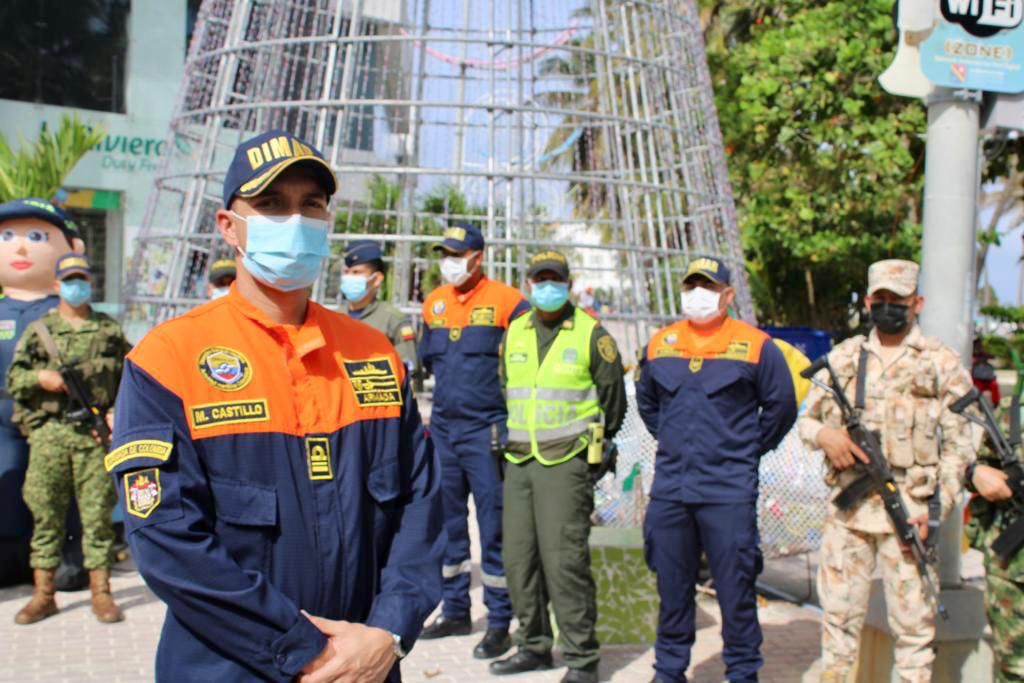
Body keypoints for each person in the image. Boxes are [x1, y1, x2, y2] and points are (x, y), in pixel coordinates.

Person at [107, 129, 444, 682]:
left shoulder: (375, 355)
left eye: (310, 204)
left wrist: (389, 632)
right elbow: (166, 538)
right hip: (230, 667)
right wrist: (305, 649)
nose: (294, 220)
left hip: (366, 665)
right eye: (270, 204)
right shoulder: (168, 358)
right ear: (227, 226)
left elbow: (422, 507)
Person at [798, 259, 974, 683]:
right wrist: (827, 437)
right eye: (881, 298)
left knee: (914, 633)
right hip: (849, 517)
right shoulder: (844, 358)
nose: (888, 306)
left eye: (898, 299)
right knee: (838, 625)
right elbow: (807, 421)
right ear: (869, 300)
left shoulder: (940, 363)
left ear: (918, 303)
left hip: (909, 513)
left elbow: (961, 445)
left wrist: (937, 510)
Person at [636, 256, 796, 683]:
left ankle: (742, 673)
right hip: (671, 490)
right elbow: (648, 403)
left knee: (735, 589)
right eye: (692, 285)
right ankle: (669, 671)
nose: (698, 293)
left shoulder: (756, 345)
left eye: (708, 286)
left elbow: (781, 408)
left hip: (728, 491)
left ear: (727, 294)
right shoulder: (660, 344)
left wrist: (744, 450)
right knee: (672, 589)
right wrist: (672, 441)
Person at [490, 251, 626, 683]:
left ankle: (582, 660)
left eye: (555, 280)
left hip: (566, 464)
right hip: (519, 462)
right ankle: (533, 645)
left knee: (564, 562)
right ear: (528, 284)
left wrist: (593, 454)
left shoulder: (591, 334)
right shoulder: (514, 332)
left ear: (568, 285)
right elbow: (505, 389)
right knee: (519, 560)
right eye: (539, 279)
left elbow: (613, 404)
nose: (546, 287)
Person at [418, 223, 530, 659]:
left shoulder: (509, 304)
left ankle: (499, 621)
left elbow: (526, 366)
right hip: (444, 428)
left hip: (488, 430)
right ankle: (454, 609)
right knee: (447, 525)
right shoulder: (434, 305)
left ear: (477, 257)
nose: (449, 262)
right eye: (444, 254)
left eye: (456, 253)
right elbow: (426, 363)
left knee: (494, 526)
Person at [8, 252, 130, 624]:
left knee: (97, 518)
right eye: (70, 280)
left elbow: (132, 379)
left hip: (93, 436)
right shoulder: (40, 331)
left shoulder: (108, 330)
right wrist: (40, 379)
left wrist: (116, 412)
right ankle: (44, 594)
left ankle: (102, 594)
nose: (78, 286)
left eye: (83, 278)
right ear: (57, 285)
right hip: (51, 435)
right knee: (46, 517)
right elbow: (15, 379)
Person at [0, 198, 81, 587]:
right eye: (8, 236)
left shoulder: (66, 314)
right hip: (3, 418)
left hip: (54, 417)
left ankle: (67, 562)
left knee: (60, 492)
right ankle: (12, 560)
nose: (19, 247)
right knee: (7, 486)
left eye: (36, 237)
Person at [966, 443, 1022, 682]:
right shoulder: (1011, 408)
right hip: (1011, 568)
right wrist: (975, 473)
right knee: (1013, 670)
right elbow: (966, 460)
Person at [339, 240, 416, 369]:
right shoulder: (333, 316)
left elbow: (407, 370)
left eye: (356, 272)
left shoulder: (392, 319)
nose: (349, 277)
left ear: (376, 279)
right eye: (346, 272)